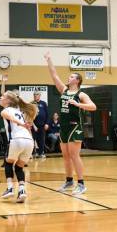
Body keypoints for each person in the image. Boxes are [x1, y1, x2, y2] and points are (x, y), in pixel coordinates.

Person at [44, 52, 96, 195]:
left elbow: (93, 107)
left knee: (74, 156)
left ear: (78, 80)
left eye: (72, 76)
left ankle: (81, 184)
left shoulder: (81, 94)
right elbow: (54, 76)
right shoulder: (64, 90)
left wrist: (78, 105)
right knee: (66, 156)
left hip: (75, 126)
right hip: (64, 127)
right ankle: (69, 181)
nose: (69, 77)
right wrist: (49, 60)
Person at [0, 90, 37, 203]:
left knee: (8, 163)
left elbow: (9, 117)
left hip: (17, 140)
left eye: (3, 96)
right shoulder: (19, 112)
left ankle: (10, 188)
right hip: (29, 141)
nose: (1, 97)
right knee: (19, 167)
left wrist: (20, 123)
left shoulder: (5, 110)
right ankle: (22, 190)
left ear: (8, 100)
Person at [31, 91, 48, 158]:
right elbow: (29, 115)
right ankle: (32, 153)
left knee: (41, 139)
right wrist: (33, 125)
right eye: (34, 95)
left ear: (39, 95)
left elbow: (47, 114)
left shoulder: (43, 103)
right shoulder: (31, 103)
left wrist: (46, 123)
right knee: (32, 139)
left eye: (37, 94)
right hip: (33, 125)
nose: (35, 96)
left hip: (42, 125)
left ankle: (41, 153)